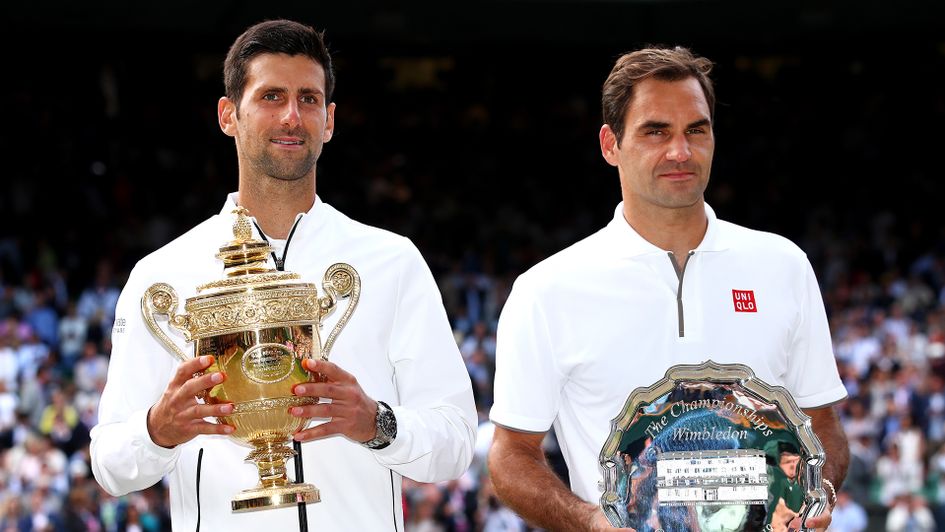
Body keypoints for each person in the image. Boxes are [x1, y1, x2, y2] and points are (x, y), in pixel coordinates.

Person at [90, 19, 477, 530]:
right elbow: (110, 464)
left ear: (330, 120)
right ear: (229, 114)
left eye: (309, 99)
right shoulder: (162, 274)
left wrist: (377, 423)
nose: (293, 116)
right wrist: (158, 430)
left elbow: (455, 441)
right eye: (271, 96)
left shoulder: (392, 261)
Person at [488, 46, 849, 531]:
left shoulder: (784, 265)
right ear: (609, 144)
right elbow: (511, 453)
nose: (680, 151)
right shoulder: (546, 289)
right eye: (655, 131)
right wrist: (591, 522)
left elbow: (821, 420)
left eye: (696, 130)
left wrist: (816, 493)